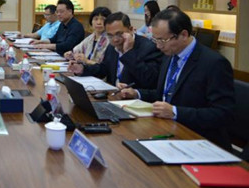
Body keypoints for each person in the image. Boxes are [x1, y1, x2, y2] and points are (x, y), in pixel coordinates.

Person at [120, 9, 235, 149]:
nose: (158, 46)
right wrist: (137, 93)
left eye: (163, 40)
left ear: (184, 35)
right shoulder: (169, 55)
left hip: (200, 140)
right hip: (167, 131)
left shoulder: (214, 63)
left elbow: (223, 114)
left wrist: (176, 112)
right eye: (155, 40)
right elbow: (166, 95)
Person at [68, 12, 163, 89]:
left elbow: (150, 80)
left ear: (130, 30)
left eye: (119, 34)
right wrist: (82, 69)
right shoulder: (112, 47)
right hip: (113, 96)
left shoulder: (148, 47)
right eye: (110, 35)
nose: (115, 39)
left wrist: (128, 52)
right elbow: (104, 69)